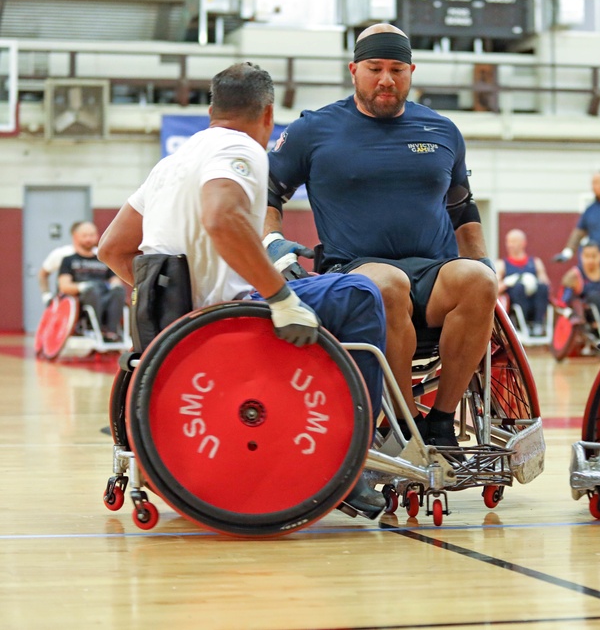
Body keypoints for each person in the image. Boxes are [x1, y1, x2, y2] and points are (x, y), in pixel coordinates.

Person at [98, 62, 388, 518]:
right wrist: (279, 297)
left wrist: (172, 301)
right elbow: (221, 218)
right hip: (230, 319)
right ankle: (356, 462)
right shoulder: (243, 148)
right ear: (268, 115)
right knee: (360, 293)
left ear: (211, 109)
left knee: (314, 286)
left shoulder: (172, 163)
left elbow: (112, 248)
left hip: (180, 324)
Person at [265, 24, 498, 454]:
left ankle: (442, 423)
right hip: (354, 270)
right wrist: (274, 245)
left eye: (396, 69)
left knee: (480, 282)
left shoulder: (442, 130)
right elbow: (267, 193)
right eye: (375, 68)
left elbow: (462, 208)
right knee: (388, 284)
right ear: (354, 70)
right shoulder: (313, 130)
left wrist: (481, 261)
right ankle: (404, 427)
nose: (386, 79)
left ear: (411, 72)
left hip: (432, 271)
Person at [57, 221, 127, 341]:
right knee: (92, 290)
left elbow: (115, 280)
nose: (89, 238)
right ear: (76, 237)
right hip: (84, 298)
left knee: (119, 291)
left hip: (104, 296)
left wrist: (115, 286)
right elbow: (64, 286)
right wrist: (81, 287)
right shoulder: (68, 260)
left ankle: (112, 332)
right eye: (85, 235)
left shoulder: (104, 260)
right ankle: (94, 329)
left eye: (92, 235)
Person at [497, 229, 551, 337]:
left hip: (534, 302)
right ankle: (521, 325)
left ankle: (538, 325)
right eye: (508, 242)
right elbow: (496, 289)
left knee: (542, 287)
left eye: (514, 241)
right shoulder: (501, 264)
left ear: (523, 243)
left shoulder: (536, 262)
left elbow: (546, 283)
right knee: (518, 287)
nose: (510, 245)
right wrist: (509, 281)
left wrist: (532, 280)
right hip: (515, 305)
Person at [560, 241, 600, 327]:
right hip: (590, 317)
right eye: (587, 256)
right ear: (581, 256)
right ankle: (599, 324)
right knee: (594, 296)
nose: (590, 260)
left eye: (594, 256)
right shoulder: (573, 276)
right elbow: (564, 301)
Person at [38, 240, 76, 304]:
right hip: (68, 301)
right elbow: (43, 274)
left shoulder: (96, 253)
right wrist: (46, 295)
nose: (88, 239)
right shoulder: (63, 254)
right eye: (85, 236)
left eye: (91, 235)